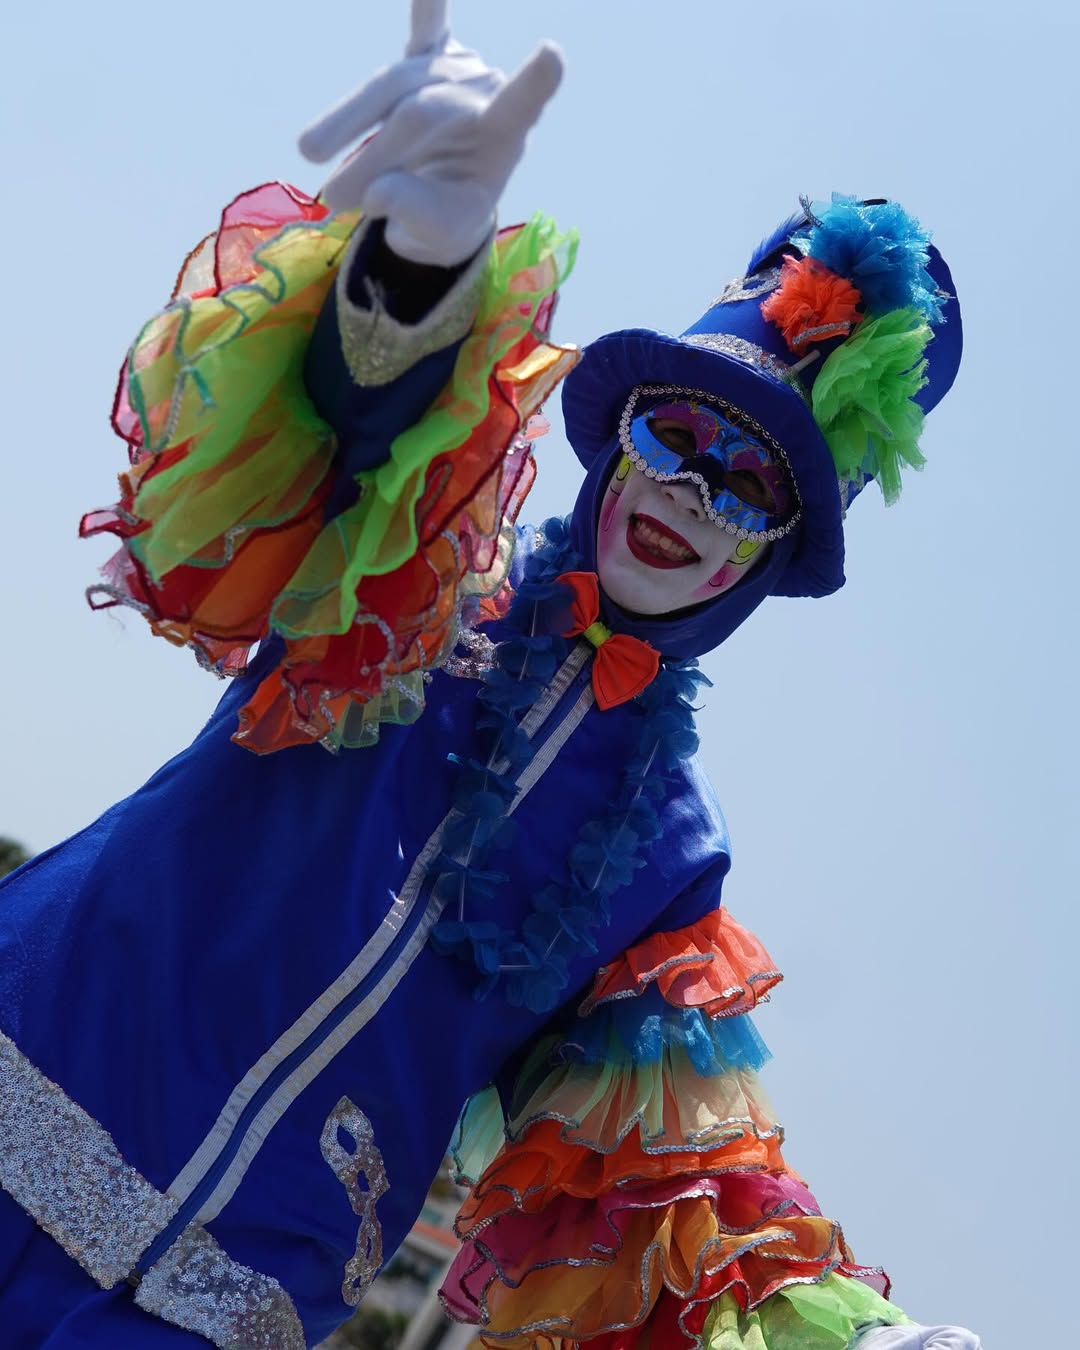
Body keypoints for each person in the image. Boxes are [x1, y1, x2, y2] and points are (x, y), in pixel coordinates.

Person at [0, 3, 980, 1347]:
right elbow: (359, 416)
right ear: (618, 432)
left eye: (749, 485)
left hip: (201, 1313)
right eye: (680, 431)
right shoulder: (415, 571)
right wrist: (409, 268)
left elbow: (660, 1188)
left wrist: (850, 1332)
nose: (693, 490)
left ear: (776, 557)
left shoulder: (667, 868)